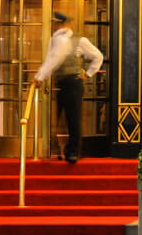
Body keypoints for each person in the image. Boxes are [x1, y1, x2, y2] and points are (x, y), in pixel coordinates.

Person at [35, 11, 103, 163]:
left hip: (73, 83)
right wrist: (42, 76)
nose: (55, 26)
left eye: (57, 24)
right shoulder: (53, 40)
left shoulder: (80, 40)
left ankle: (72, 151)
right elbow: (50, 61)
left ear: (64, 24)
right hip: (59, 84)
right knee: (56, 119)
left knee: (73, 119)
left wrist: (88, 73)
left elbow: (98, 56)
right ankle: (59, 148)